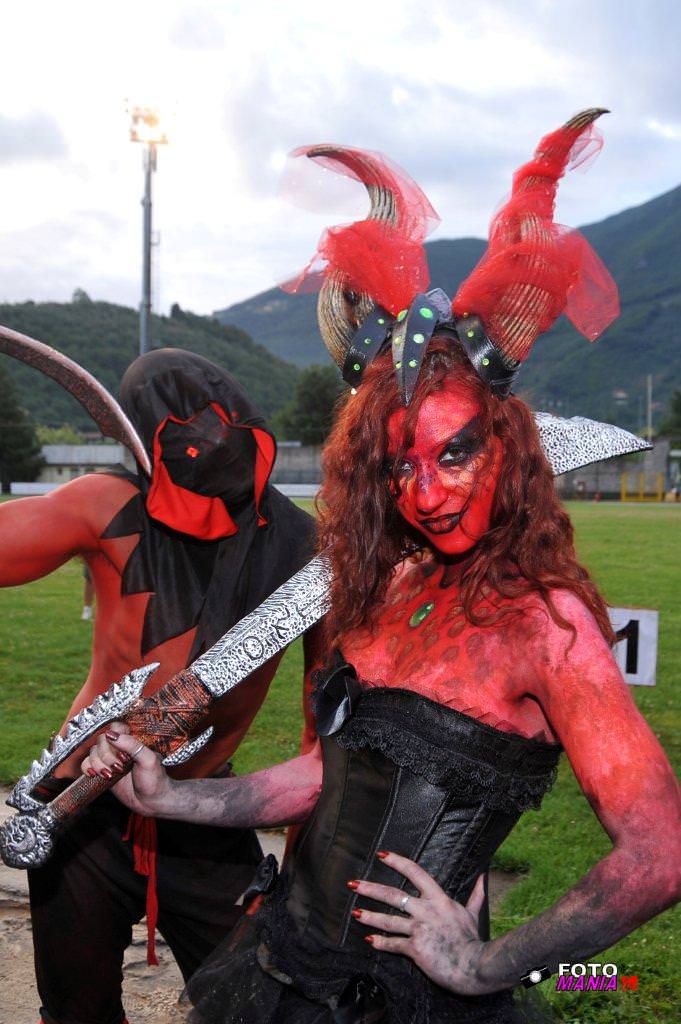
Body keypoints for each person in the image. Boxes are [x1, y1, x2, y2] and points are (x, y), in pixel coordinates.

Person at [86, 115, 681, 1023]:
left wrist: (486, 966)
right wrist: (180, 797)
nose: (426, 492)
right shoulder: (386, 593)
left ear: (509, 451)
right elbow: (325, 775)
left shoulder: (547, 628)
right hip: (281, 967)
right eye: (401, 465)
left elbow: (657, 851)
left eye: (454, 454)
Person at [0, 348, 317, 1024]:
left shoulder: (307, 555)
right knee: (76, 1008)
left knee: (255, 1002)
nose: (203, 443)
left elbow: (328, 727)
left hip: (202, 805)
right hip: (78, 803)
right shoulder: (108, 504)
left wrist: (307, 847)